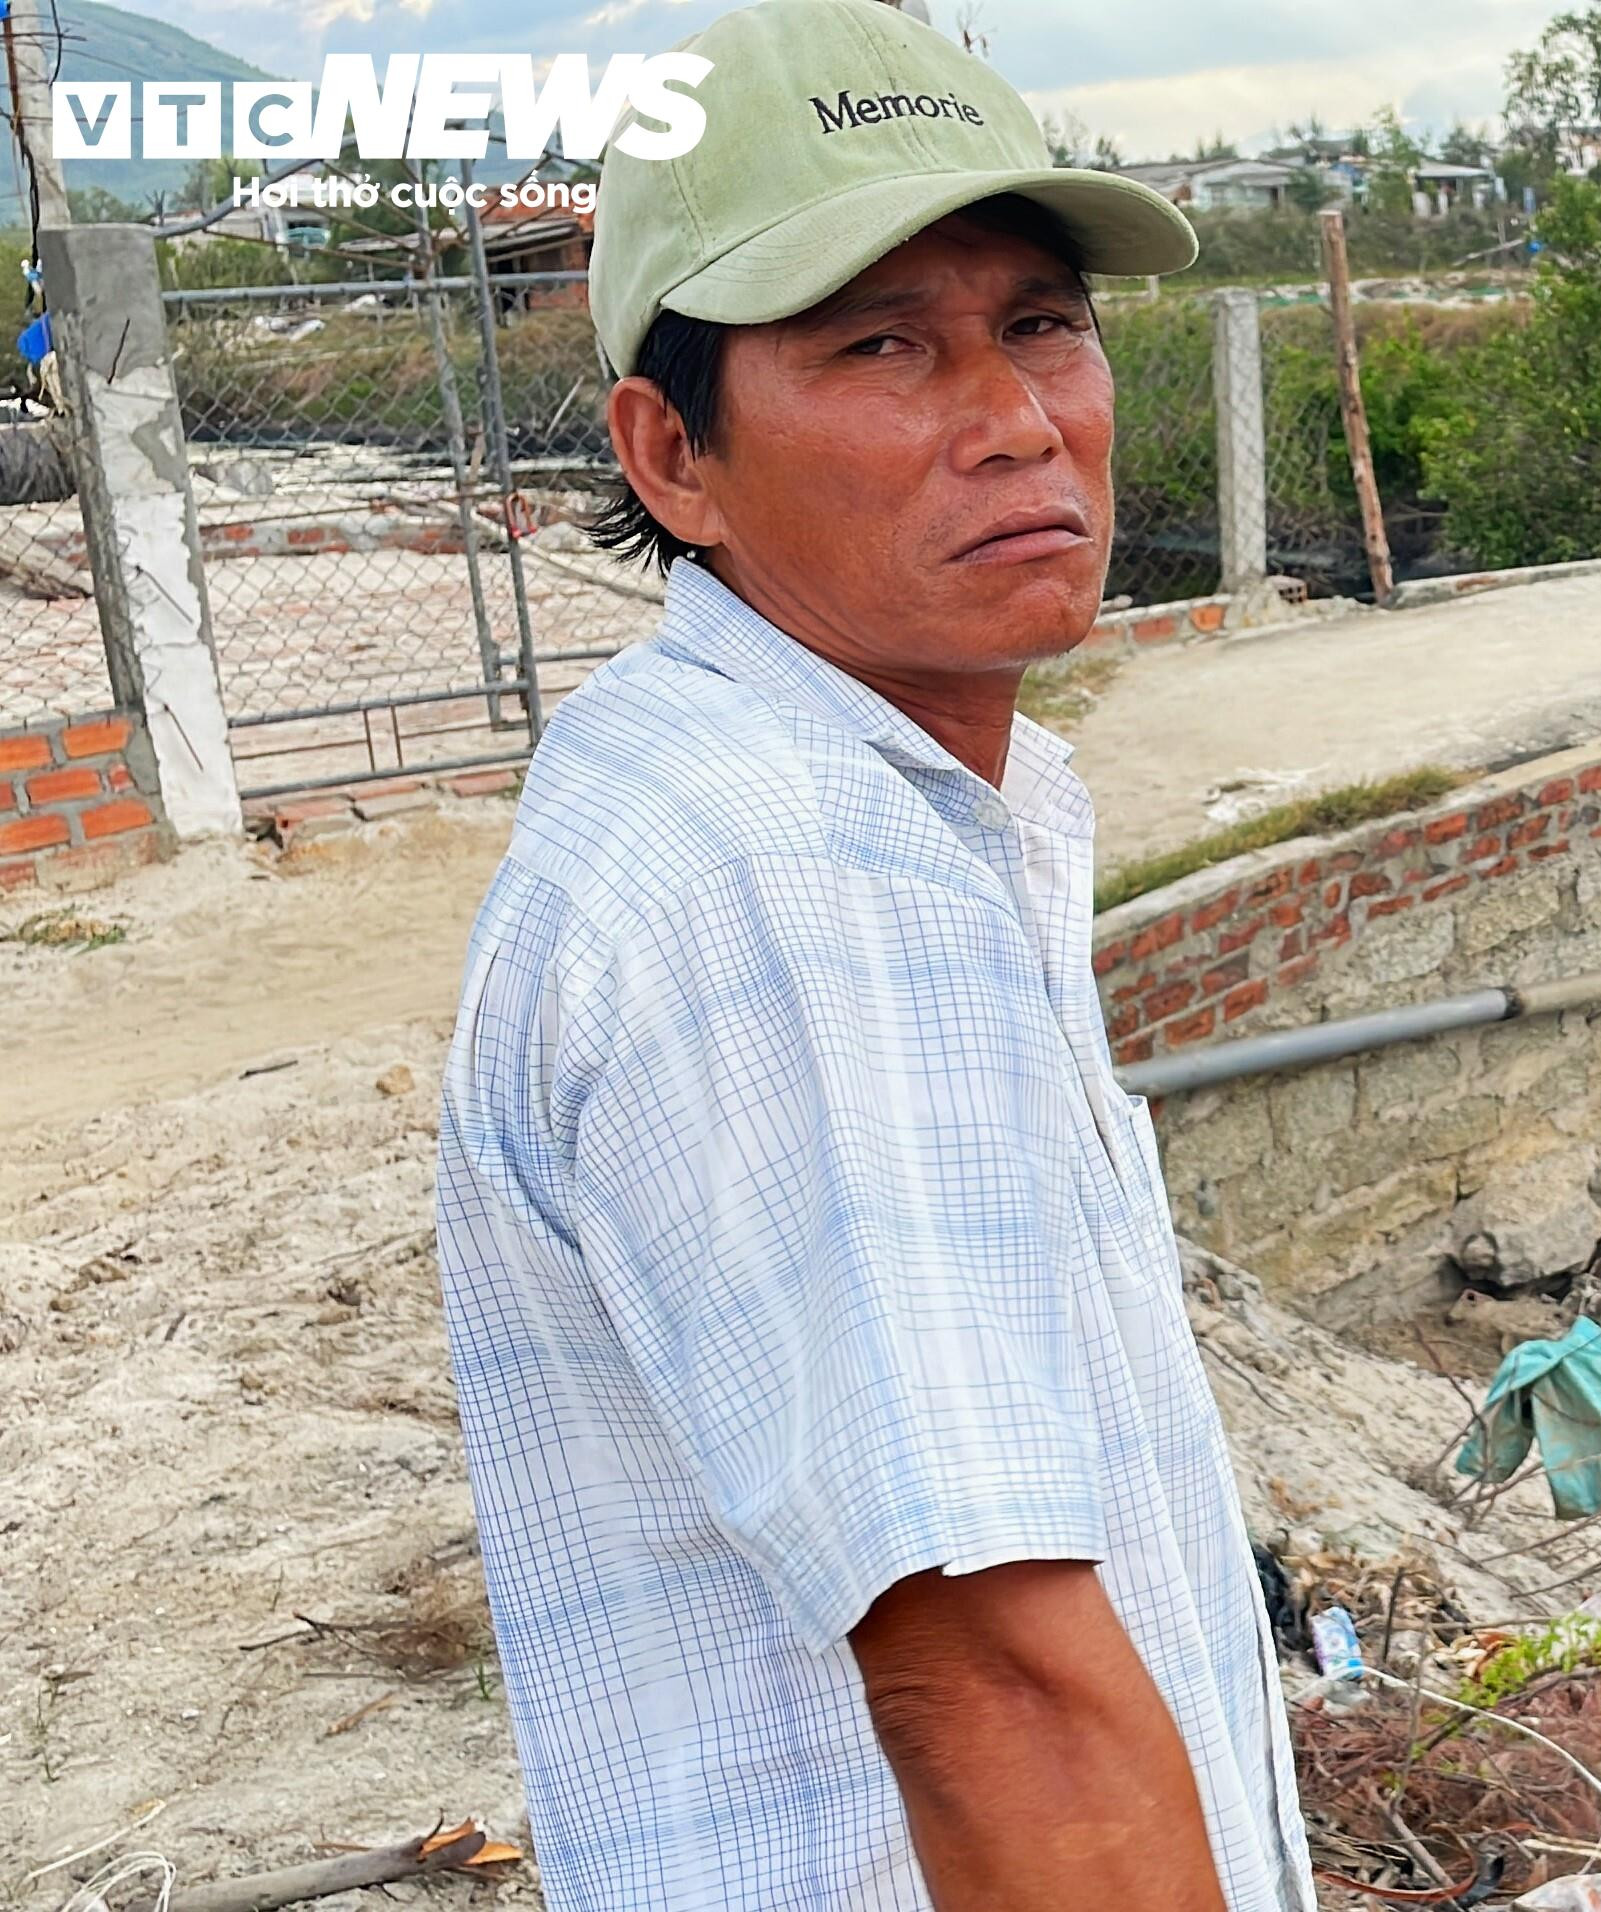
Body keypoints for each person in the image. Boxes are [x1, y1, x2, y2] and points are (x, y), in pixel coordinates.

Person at [431, 3, 1308, 1904]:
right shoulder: (790, 872)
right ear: (674, 454)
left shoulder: (864, 799)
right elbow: (1004, 1707)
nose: (1015, 421)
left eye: (1040, 323)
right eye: (882, 344)